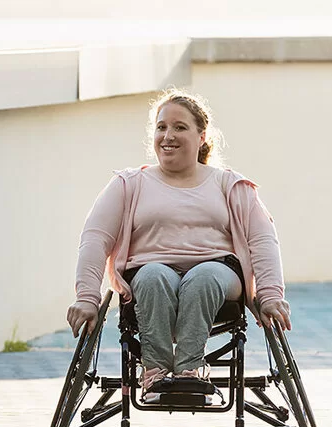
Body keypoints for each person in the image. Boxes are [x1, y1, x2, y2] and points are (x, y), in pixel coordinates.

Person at [66, 89, 293, 403]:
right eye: (161, 127)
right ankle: (155, 373)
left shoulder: (230, 185)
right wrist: (86, 298)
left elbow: (263, 240)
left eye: (179, 127)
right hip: (148, 276)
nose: (168, 135)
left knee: (203, 277)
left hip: (218, 274)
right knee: (152, 276)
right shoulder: (129, 184)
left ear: (201, 136)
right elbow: (94, 239)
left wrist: (270, 296)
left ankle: (189, 371)